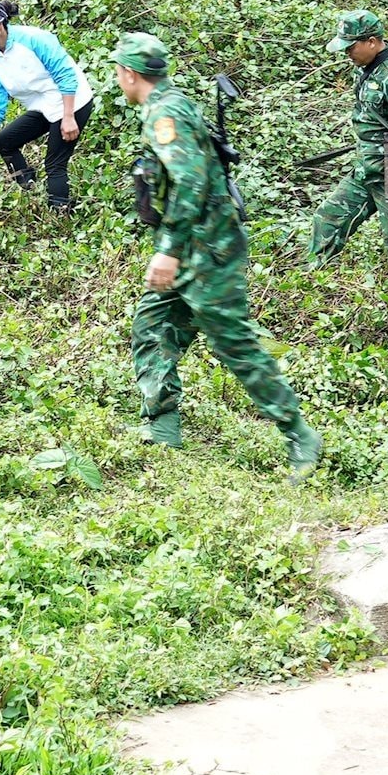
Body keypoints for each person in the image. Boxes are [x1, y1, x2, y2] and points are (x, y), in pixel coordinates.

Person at [113, 31, 321, 475]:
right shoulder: (169, 103)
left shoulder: (164, 114)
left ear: (130, 74)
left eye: (118, 72)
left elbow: (189, 182)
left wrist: (167, 252)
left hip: (206, 250)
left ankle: (299, 433)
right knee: (152, 327)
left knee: (235, 345)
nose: (117, 79)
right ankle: (162, 426)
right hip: (191, 244)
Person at [0, 0, 94, 212]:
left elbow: (66, 76)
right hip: (43, 107)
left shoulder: (35, 39)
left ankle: (60, 214)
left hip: (72, 102)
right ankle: (28, 186)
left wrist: (68, 117)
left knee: (54, 165)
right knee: (5, 141)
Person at [308, 9, 388, 272]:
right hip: (368, 168)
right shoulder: (367, 67)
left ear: (372, 42)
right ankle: (313, 279)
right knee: (328, 219)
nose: (347, 53)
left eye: (351, 46)